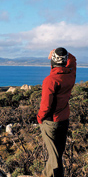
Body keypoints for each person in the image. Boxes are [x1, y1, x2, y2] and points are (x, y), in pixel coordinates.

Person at [37, 47, 76, 177]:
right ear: (64, 62)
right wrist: (62, 53)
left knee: (54, 157)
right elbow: (73, 60)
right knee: (57, 153)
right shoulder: (70, 74)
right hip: (64, 119)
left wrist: (39, 118)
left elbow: (45, 106)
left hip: (51, 122)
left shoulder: (50, 80)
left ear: (52, 62)